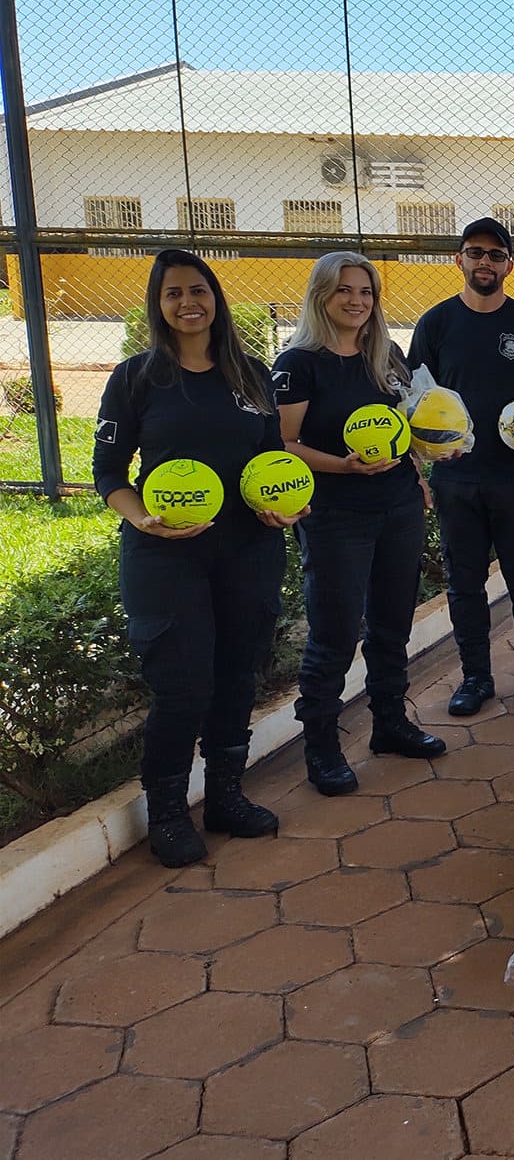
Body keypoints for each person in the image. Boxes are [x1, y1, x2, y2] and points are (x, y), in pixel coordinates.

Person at [93, 249, 303, 867]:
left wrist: (283, 506)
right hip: (165, 557)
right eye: (173, 293)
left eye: (198, 290)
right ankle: (166, 813)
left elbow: (273, 459)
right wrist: (143, 519)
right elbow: (108, 471)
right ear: (158, 306)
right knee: (182, 687)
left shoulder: (250, 374)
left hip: (247, 549)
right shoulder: (136, 378)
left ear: (216, 298)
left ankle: (225, 798)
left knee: (238, 674)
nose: (188, 303)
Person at [274, 252, 446, 796]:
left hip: (396, 506)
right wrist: (342, 465)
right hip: (335, 514)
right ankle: (321, 747)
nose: (356, 301)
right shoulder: (298, 363)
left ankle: (390, 724)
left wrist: (421, 467)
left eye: (366, 292)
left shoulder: (386, 355)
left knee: (393, 624)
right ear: (321, 295)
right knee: (335, 634)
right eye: (344, 290)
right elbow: (282, 444)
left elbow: (401, 424)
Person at [408, 217, 514, 717]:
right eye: (475, 252)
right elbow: (413, 400)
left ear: (510, 264)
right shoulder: (435, 323)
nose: (485, 261)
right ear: (458, 259)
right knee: (464, 582)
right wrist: (419, 466)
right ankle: (476, 678)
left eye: (496, 254)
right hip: (457, 477)